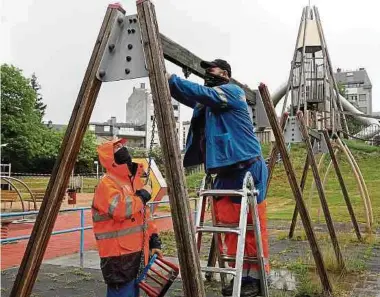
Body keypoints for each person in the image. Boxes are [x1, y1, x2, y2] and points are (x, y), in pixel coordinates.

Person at [167, 59, 269, 297]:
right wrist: (169, 85)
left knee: (252, 228)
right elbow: (191, 96)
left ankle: (253, 278)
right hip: (224, 171)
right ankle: (239, 275)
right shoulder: (207, 103)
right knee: (228, 227)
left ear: (224, 73)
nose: (206, 74)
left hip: (247, 168)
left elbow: (200, 92)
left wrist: (172, 79)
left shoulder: (232, 92)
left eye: (210, 70)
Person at [92, 138, 163, 297]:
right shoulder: (107, 184)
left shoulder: (133, 181)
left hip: (137, 252)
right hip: (118, 257)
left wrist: (154, 239)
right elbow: (120, 210)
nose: (122, 149)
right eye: (117, 147)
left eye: (121, 146)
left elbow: (144, 215)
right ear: (110, 157)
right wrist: (142, 197)